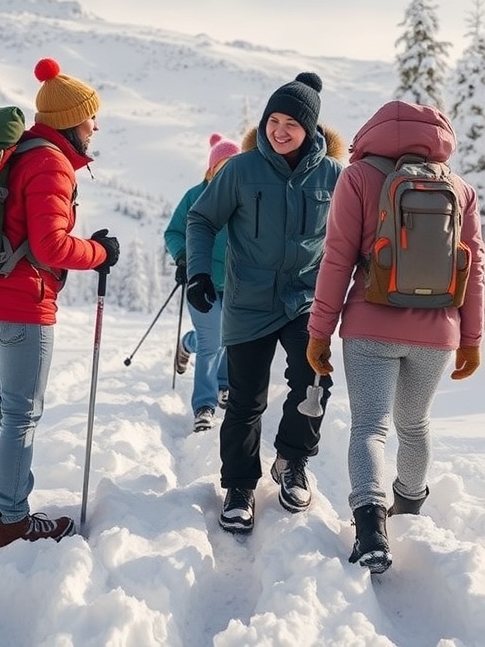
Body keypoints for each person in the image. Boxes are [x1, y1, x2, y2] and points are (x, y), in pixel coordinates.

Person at [0, 57, 120, 549]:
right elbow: (51, 248)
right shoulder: (51, 165)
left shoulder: (20, 152)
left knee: (4, 398)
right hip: (20, 304)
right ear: (71, 122)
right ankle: (15, 519)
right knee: (23, 411)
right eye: (90, 118)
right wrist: (101, 252)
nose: (95, 126)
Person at [307, 100, 484, 574]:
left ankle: (370, 530)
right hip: (437, 332)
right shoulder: (458, 188)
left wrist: (319, 330)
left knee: (369, 427)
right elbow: (476, 268)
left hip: (370, 323)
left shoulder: (359, 177)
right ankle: (407, 508)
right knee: (415, 424)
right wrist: (471, 338)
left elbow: (337, 258)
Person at [186, 73, 345, 533]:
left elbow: (356, 235)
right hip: (250, 302)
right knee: (245, 400)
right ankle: (239, 485)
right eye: (272, 120)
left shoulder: (335, 176)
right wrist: (198, 271)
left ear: (310, 128)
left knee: (313, 385)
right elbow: (201, 218)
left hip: (305, 301)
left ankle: (292, 463)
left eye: (290, 123)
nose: (278, 130)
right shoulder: (241, 170)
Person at [164, 133, 241, 433]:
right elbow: (173, 232)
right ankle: (204, 406)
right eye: (223, 165)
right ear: (211, 168)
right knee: (213, 340)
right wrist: (183, 256)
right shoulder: (195, 196)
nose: (228, 171)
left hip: (236, 283)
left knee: (229, 337)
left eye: (234, 165)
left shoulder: (242, 196)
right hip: (202, 281)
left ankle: (218, 378)